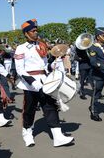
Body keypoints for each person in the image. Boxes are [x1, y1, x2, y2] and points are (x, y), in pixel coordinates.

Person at [14, 19, 74, 148]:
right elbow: (20, 69)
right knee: (29, 110)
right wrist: (32, 82)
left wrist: (54, 64)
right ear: (26, 33)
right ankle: (27, 133)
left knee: (50, 107)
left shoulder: (42, 45)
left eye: (36, 30)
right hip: (29, 83)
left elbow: (45, 66)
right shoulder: (21, 48)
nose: (36, 33)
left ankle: (58, 137)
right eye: (33, 31)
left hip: (44, 81)